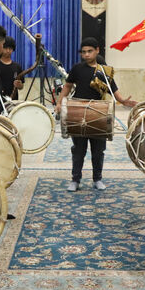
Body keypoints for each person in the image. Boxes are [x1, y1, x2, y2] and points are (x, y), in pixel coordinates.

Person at [55, 37, 137, 192]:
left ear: (97, 50)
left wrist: (123, 101)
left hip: (99, 115)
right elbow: (67, 86)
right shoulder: (77, 68)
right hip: (78, 113)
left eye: (90, 51)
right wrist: (60, 103)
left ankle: (97, 179)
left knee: (98, 151)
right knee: (78, 150)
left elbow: (113, 90)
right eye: (84, 52)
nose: (86, 55)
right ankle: (75, 179)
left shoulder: (105, 71)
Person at [0, 36, 24, 100]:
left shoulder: (17, 66)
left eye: (10, 48)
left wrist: (19, 85)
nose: (8, 51)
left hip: (13, 102)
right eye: (5, 48)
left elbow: (21, 86)